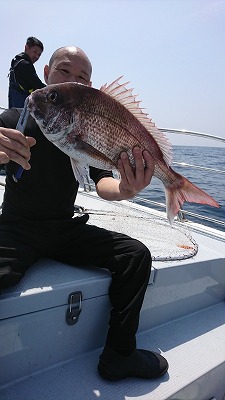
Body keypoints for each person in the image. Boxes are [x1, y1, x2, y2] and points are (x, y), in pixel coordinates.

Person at [0, 46, 168, 381]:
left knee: (135, 256)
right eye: (64, 71)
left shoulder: (85, 129)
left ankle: (119, 355)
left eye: (83, 78)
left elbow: (103, 180)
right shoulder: (13, 120)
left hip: (65, 228)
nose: (72, 80)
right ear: (46, 73)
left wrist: (126, 190)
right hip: (17, 228)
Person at [8, 36, 45, 109]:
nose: (36, 57)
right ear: (26, 48)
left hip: (14, 109)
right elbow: (38, 85)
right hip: (21, 108)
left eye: (39, 54)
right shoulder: (25, 64)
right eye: (35, 52)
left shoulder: (16, 62)